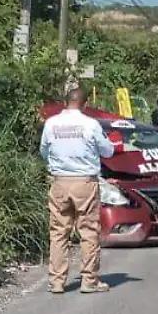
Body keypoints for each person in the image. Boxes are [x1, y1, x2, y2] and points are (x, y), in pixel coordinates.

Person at [38, 85, 116, 294]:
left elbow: (44, 151)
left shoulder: (51, 123)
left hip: (59, 181)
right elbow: (107, 151)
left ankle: (56, 281)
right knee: (88, 231)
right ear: (85, 104)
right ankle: (89, 280)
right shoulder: (90, 124)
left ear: (65, 102)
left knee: (58, 232)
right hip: (85, 182)